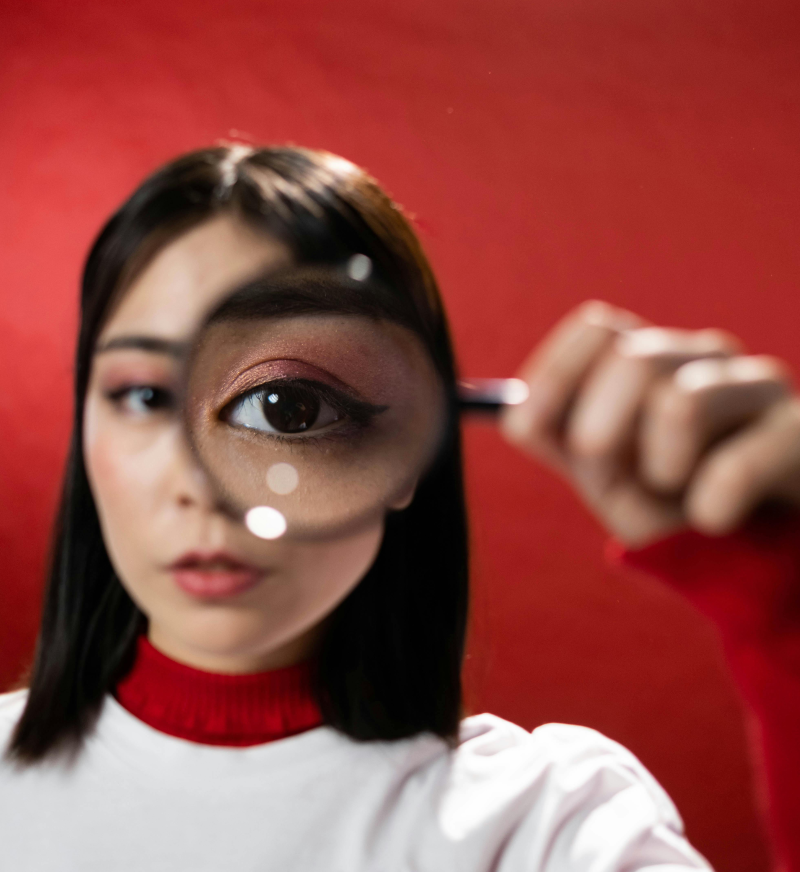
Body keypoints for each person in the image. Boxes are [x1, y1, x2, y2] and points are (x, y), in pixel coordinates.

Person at [0, 144, 798, 871]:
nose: (196, 486)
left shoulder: (546, 824)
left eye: (285, 408)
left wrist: (785, 616)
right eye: (141, 394)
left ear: (407, 453)